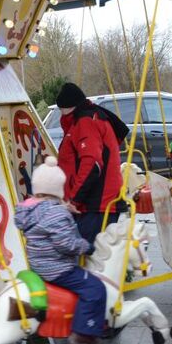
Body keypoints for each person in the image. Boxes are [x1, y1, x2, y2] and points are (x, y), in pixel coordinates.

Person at [14, 156, 106, 344]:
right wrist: (86, 246)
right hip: (57, 268)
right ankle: (84, 332)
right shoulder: (56, 213)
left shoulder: (30, 209)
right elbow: (66, 244)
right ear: (58, 190)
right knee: (94, 288)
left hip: (37, 264)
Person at [56, 82, 128, 244]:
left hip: (95, 205)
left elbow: (92, 164)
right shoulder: (92, 117)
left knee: (87, 259)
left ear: (67, 108)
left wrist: (74, 199)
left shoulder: (85, 122)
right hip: (96, 204)